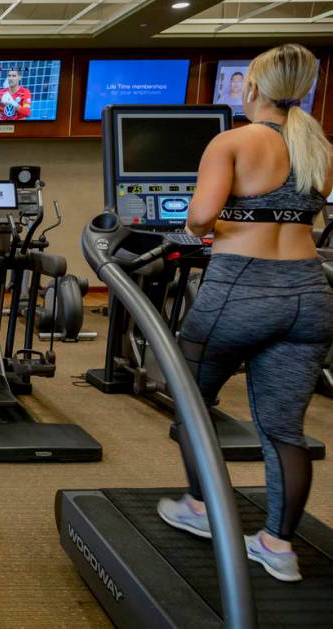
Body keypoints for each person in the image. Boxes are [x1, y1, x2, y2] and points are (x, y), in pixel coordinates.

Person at [157, 43, 333, 583]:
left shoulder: (231, 141)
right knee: (284, 430)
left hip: (241, 290)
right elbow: (311, 208)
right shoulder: (318, 148)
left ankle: (201, 507)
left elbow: (202, 219)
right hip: (310, 295)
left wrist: (191, 228)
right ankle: (278, 545)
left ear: (251, 87)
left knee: (189, 401)